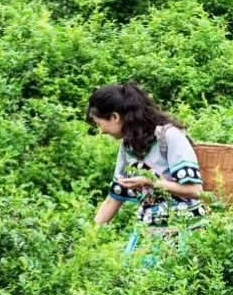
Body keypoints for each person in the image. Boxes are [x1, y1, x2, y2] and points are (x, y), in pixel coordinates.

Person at [88, 82, 207, 253]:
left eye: (100, 124)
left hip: (183, 228)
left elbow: (195, 190)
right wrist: (89, 239)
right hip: (149, 230)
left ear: (115, 117)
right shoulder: (128, 147)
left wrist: (151, 182)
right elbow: (113, 198)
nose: (102, 131)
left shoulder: (170, 137)